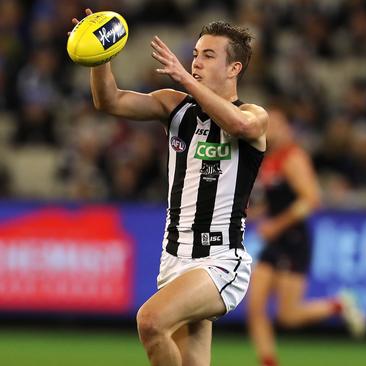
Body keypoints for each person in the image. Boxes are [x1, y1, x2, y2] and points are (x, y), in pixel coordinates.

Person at [70, 9, 268, 366]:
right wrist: (102, 57)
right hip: (175, 258)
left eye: (208, 56)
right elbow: (108, 100)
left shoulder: (254, 114)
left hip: (221, 260)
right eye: (195, 55)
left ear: (234, 68)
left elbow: (239, 125)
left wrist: (184, 79)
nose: (196, 63)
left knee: (150, 321)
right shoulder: (174, 107)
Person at [247, 106, 366, 366]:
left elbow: (311, 199)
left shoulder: (293, 157)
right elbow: (277, 200)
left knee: (288, 316)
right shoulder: (271, 159)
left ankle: (338, 305)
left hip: (294, 240)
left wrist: (276, 226)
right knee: (255, 307)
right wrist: (254, 212)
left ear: (289, 128)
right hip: (276, 239)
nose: (270, 129)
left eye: (276, 124)